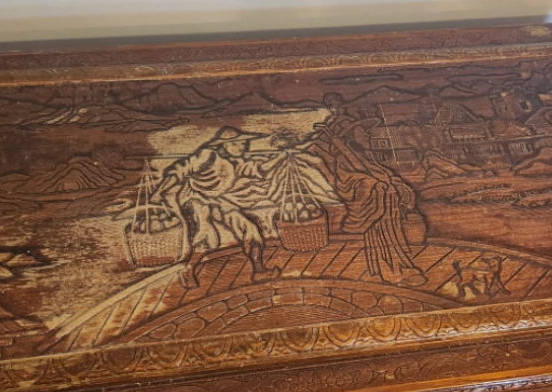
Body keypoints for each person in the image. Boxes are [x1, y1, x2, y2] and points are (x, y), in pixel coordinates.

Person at [307, 95, 427, 287]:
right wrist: (381, 185)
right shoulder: (345, 155)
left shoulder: (362, 153)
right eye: (361, 131)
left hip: (377, 194)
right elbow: (353, 176)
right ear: (351, 135)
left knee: (387, 198)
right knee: (381, 194)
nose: (366, 135)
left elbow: (381, 172)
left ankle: (398, 264)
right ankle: (391, 269)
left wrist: (396, 184)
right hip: (363, 189)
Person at [151, 126, 280, 288]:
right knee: (206, 235)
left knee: (250, 228)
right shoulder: (208, 155)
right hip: (196, 201)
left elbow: (253, 170)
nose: (243, 147)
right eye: (237, 144)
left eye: (244, 143)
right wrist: (159, 192)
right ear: (224, 145)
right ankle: (188, 270)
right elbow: (179, 170)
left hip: (217, 201)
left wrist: (278, 160)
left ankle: (259, 270)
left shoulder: (234, 160)